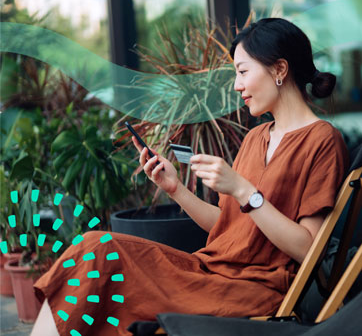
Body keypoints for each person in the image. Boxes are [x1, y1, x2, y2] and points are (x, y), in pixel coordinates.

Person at [31, 18, 349, 336]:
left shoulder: (322, 140)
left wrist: (243, 190)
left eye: (242, 72)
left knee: (100, 253)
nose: (237, 86)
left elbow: (309, 249)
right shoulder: (256, 138)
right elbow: (229, 228)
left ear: (279, 70)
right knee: (95, 246)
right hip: (206, 270)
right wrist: (176, 189)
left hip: (252, 288)